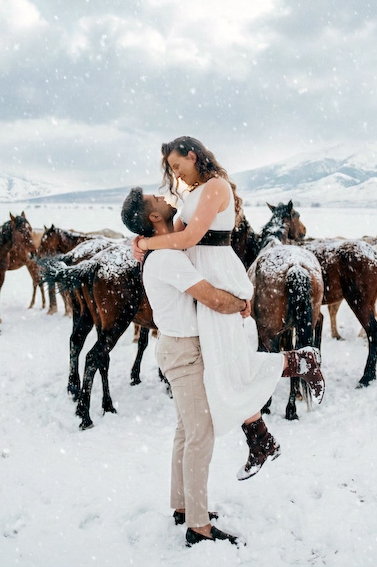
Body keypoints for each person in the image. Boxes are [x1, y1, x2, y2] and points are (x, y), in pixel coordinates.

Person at [133, 136, 325, 478]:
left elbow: (189, 239)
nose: (175, 174)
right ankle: (262, 437)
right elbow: (173, 242)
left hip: (218, 278)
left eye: (177, 165)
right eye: (171, 170)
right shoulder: (189, 195)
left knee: (228, 366)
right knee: (223, 368)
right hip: (204, 281)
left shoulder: (216, 186)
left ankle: (298, 365)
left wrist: (146, 242)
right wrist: (142, 243)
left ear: (194, 155)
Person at [121, 187, 246, 548]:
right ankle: (198, 526)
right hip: (185, 353)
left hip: (175, 348)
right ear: (155, 218)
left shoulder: (161, 251)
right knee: (200, 436)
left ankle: (181, 506)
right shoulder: (168, 259)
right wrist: (242, 303)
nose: (163, 195)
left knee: (184, 431)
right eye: (155, 199)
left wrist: (142, 243)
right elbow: (210, 297)